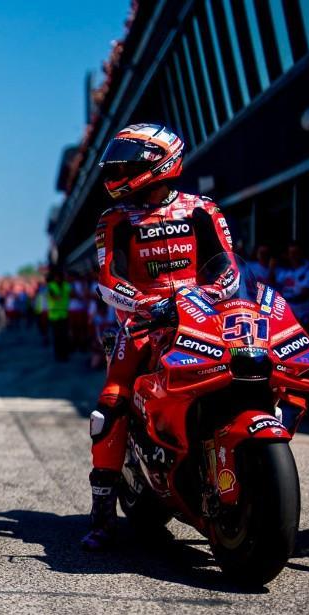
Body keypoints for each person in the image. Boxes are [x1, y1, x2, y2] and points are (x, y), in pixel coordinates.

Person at [84, 123, 238, 550]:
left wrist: (206, 294)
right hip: (142, 324)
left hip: (205, 316)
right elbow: (108, 279)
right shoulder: (113, 218)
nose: (116, 171)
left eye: (126, 163)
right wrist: (146, 304)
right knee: (108, 407)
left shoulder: (201, 209)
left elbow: (227, 268)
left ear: (160, 163)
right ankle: (101, 516)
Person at [277, 241, 309, 325]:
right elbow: (275, 287)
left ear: (301, 253)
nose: (293, 255)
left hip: (302, 310)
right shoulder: (284, 269)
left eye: (296, 252)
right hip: (286, 309)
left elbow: (305, 292)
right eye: (291, 253)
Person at [45, 267, 71, 361]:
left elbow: (71, 294)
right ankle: (58, 355)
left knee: (64, 336)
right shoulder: (51, 286)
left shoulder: (66, 285)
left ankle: (65, 355)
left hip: (64, 314)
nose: (58, 278)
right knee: (57, 337)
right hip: (54, 316)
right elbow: (54, 296)